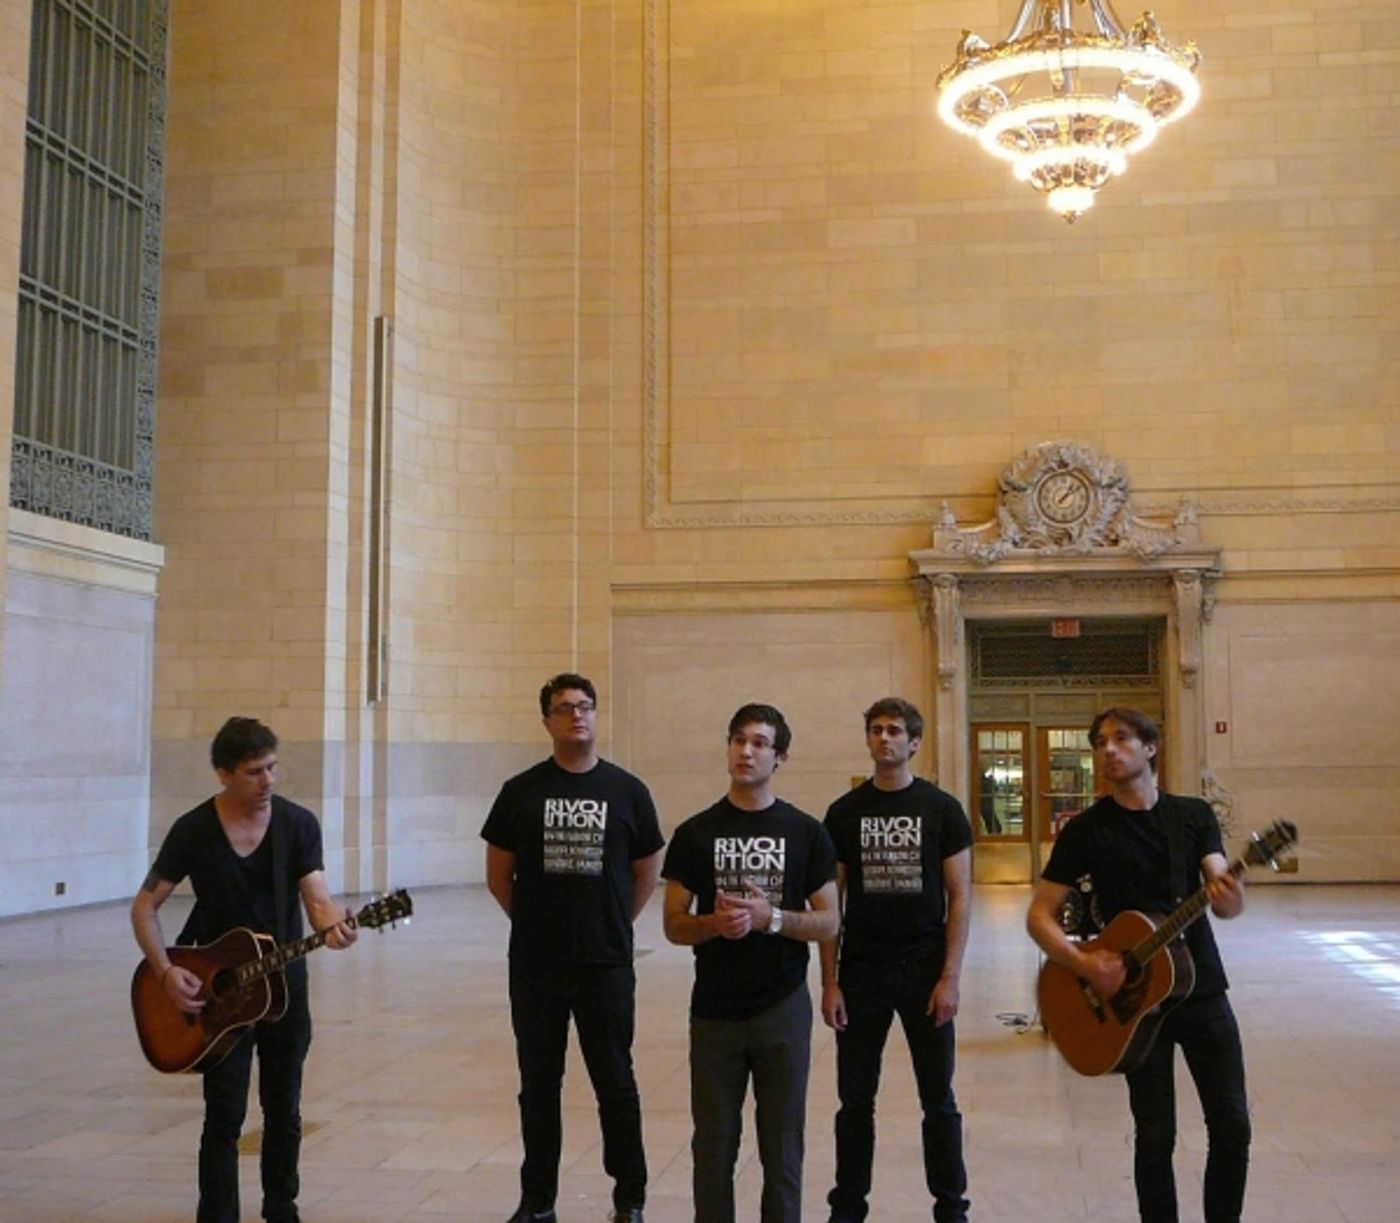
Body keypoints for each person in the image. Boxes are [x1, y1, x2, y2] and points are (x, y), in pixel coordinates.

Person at [130, 716, 359, 1223]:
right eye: (255, 772)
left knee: (285, 1110)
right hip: (217, 992)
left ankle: (282, 1207)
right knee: (224, 1115)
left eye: (273, 767)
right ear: (224, 774)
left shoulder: (298, 825)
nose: (269, 781)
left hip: (282, 984)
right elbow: (144, 908)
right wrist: (166, 972)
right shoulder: (193, 830)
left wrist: (336, 929)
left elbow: (318, 902)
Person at [1027, 707, 1250, 1223]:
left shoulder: (1193, 816)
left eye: (1122, 739)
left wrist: (1228, 893)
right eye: (1100, 742)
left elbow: (1223, 896)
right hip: (1135, 1004)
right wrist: (1083, 962)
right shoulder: (1086, 830)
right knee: (1154, 1134)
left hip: (1202, 989)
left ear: (1150, 747)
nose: (1109, 749)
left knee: (1233, 1124)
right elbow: (1039, 915)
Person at [482, 673, 665, 1223]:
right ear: (547, 721)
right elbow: (499, 876)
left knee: (616, 1082)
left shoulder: (627, 790)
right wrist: (538, 924)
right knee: (539, 1087)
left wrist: (610, 923)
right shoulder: (520, 791)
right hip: (536, 965)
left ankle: (629, 1198)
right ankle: (538, 1201)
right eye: (564, 708)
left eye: (585, 706)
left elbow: (646, 871)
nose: (577, 716)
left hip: (605, 963)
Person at [662, 702, 840, 1223]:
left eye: (760, 742)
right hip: (714, 1010)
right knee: (713, 1146)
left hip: (781, 1007)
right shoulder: (696, 832)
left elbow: (829, 922)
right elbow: (673, 923)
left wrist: (772, 919)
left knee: (782, 1146)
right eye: (739, 740)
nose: (747, 751)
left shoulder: (806, 832)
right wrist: (712, 925)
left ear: (780, 755)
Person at [821, 697, 972, 1223]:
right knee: (855, 1101)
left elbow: (960, 898)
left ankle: (951, 1208)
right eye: (876, 730)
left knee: (939, 1100)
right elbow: (829, 905)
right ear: (868, 739)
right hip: (861, 973)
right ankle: (848, 1207)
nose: (885, 738)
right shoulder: (844, 813)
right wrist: (829, 982)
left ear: (914, 743)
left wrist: (949, 978)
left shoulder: (942, 810)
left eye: (895, 731)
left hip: (924, 970)